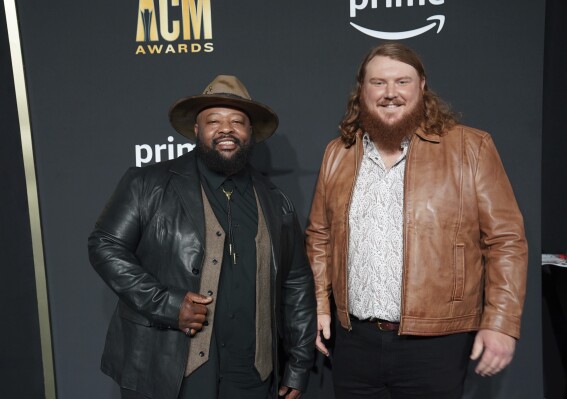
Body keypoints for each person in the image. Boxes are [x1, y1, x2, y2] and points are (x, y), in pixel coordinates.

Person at [305, 43, 528, 398]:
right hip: (353, 342)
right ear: (361, 91)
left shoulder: (470, 147)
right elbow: (320, 237)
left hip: (436, 343)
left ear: (421, 86)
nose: (390, 93)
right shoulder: (339, 152)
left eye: (401, 81)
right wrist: (319, 306)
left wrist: (501, 322)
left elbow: (505, 240)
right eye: (378, 83)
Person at [89, 75, 316, 399]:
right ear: (197, 130)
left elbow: (296, 282)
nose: (227, 129)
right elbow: (105, 245)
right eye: (214, 120)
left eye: (237, 121)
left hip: (250, 375)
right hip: (169, 369)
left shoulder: (275, 200)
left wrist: (298, 363)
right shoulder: (148, 183)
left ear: (251, 133)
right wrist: (165, 303)